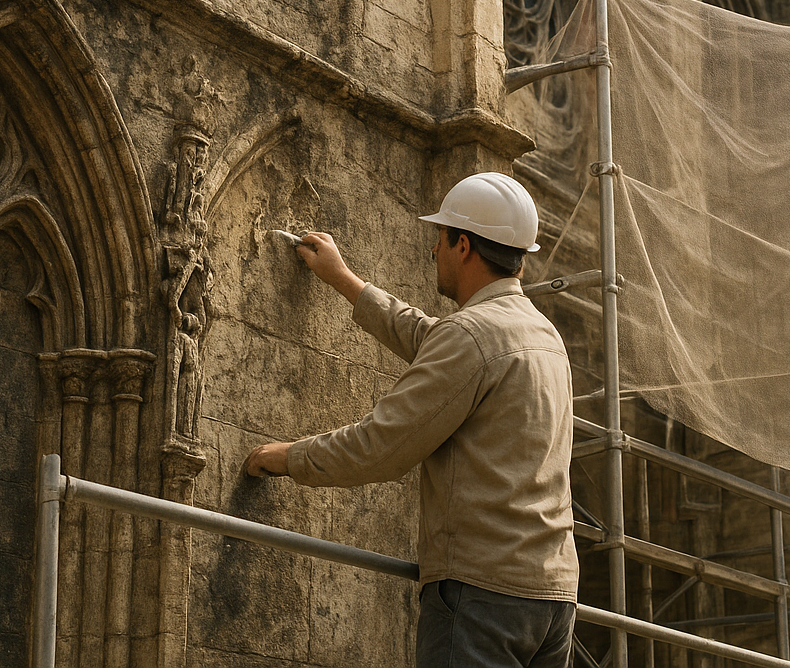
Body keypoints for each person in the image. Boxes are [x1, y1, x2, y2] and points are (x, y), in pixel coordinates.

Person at [244, 172, 579, 667]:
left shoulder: (472, 336)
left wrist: (288, 457)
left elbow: (380, 447)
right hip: (553, 599)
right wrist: (346, 280)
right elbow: (436, 340)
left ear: (463, 245)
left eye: (440, 237)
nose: (433, 250)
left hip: (483, 596)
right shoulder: (543, 336)